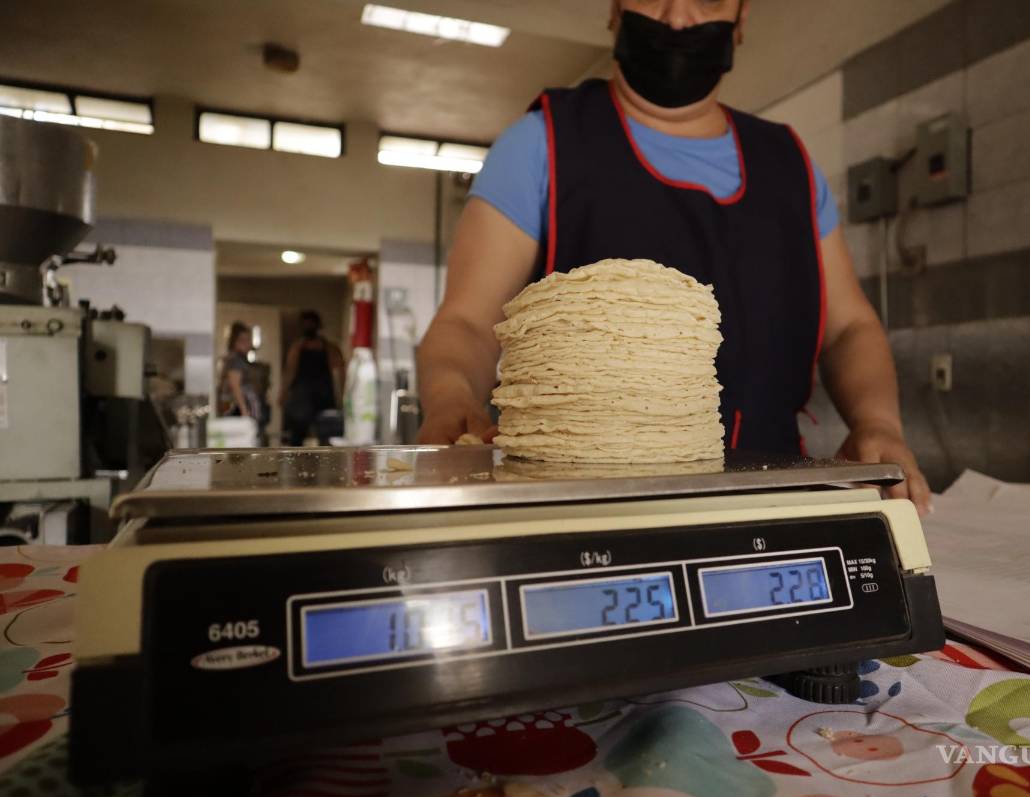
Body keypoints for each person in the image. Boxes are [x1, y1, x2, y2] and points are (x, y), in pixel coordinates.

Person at [417, 0, 932, 514]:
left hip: (773, 506)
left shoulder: (791, 167)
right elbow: (468, 321)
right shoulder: (542, 143)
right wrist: (450, 396)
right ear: (614, 11)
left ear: (741, 20)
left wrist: (878, 423)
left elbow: (849, 329)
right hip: (584, 510)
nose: (678, 18)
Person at [281, 310, 345, 446]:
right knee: (297, 439)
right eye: (305, 324)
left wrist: (343, 397)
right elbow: (290, 372)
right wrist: (283, 393)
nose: (308, 327)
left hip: (323, 398)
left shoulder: (329, 348)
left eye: (310, 323)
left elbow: (340, 371)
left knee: (327, 439)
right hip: (302, 399)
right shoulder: (297, 348)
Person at [218, 321, 262, 423]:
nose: (248, 344)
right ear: (234, 342)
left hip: (238, 410)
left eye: (248, 339)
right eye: (243, 340)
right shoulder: (236, 360)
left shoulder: (237, 359)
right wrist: (244, 411)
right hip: (237, 411)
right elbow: (235, 386)